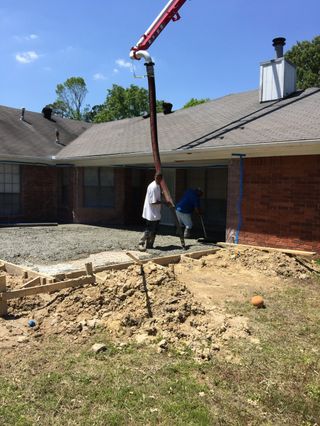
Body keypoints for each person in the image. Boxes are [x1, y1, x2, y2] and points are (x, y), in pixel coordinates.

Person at [139, 172, 167, 251]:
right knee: (149, 229)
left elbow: (157, 196)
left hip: (155, 212)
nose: (158, 179)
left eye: (159, 179)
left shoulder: (158, 185)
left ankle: (150, 245)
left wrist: (162, 194)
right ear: (155, 177)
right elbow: (153, 202)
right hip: (151, 213)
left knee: (154, 230)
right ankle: (141, 242)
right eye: (157, 178)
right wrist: (164, 202)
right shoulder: (153, 187)